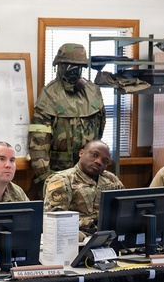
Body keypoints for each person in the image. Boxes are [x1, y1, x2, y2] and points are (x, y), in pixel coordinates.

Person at [27, 43, 106, 186]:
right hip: (58, 173)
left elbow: (100, 131)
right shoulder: (49, 95)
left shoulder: (93, 92)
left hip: (91, 173)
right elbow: (38, 144)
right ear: (60, 66)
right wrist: (46, 178)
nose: (73, 70)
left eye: (77, 66)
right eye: (68, 65)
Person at [43, 140, 124, 239]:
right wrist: (89, 224)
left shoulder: (110, 179)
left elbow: (125, 209)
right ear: (81, 153)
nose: (99, 162)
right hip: (76, 238)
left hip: (107, 236)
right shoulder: (62, 180)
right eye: (94, 155)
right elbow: (57, 220)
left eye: (105, 161)